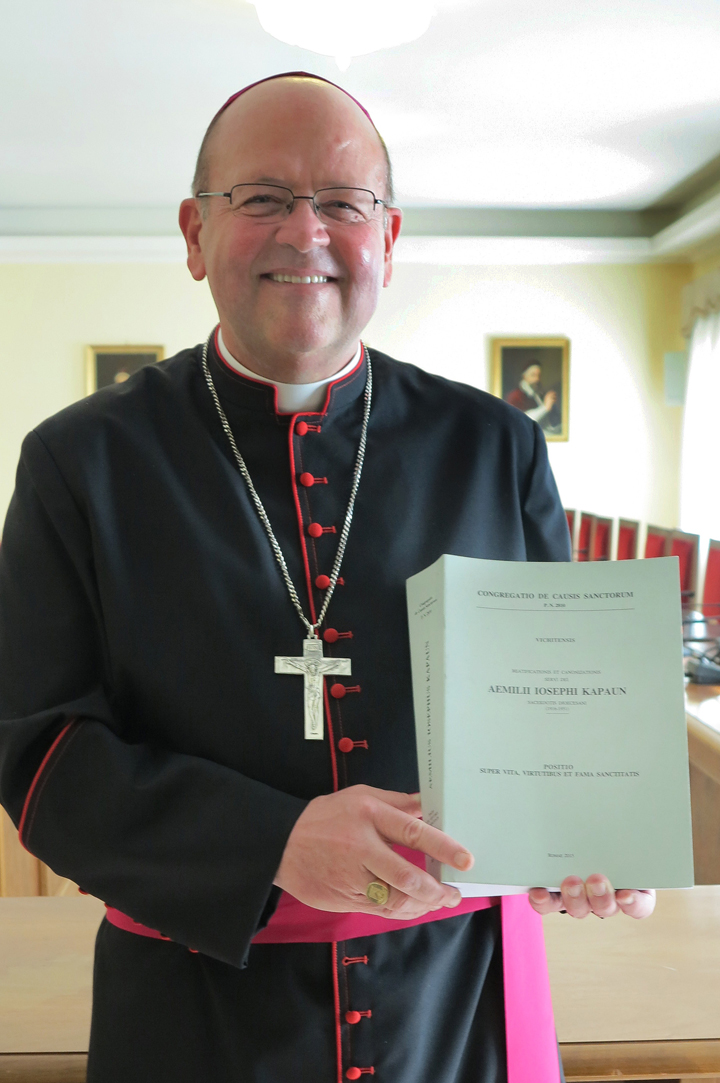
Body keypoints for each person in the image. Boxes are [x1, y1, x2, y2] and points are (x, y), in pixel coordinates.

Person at [0, 73, 654, 1083]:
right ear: (193, 233)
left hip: (454, 1005)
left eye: (343, 204)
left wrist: (594, 840)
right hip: (194, 1015)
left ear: (387, 239)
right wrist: (274, 841)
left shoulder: (495, 447)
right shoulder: (80, 463)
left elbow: (550, 725)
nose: (306, 234)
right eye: (262, 197)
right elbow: (41, 757)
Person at [505, 362, 561, 434]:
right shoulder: (514, 395)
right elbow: (521, 421)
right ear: (524, 376)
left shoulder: (538, 393)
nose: (537, 379)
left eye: (539, 375)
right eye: (533, 375)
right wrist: (545, 407)